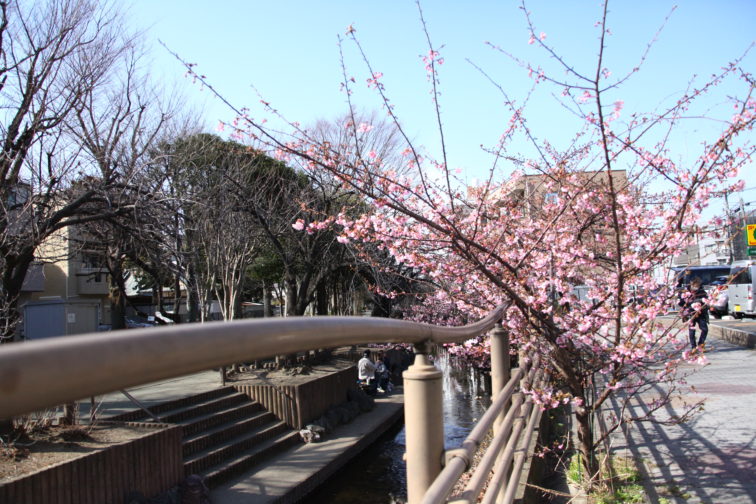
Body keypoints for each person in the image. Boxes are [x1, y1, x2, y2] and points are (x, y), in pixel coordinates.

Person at [678, 276, 709, 351]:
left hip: (700, 313)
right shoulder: (686, 292)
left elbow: (706, 301)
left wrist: (701, 303)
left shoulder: (702, 292)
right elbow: (681, 302)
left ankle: (701, 344)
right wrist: (685, 305)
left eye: (697, 286)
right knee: (692, 330)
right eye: (694, 286)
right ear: (691, 284)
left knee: (704, 329)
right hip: (690, 313)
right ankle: (693, 347)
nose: (696, 287)